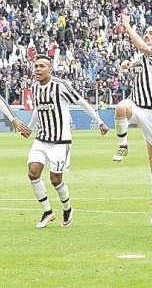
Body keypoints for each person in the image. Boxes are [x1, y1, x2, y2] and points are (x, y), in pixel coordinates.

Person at [26, 54, 109, 228]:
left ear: (50, 69)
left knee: (55, 179)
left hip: (60, 141)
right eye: (36, 66)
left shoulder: (61, 86)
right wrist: (30, 127)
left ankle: (67, 208)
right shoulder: (35, 88)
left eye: (42, 66)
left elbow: (81, 102)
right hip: (41, 139)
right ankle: (48, 212)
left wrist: (100, 121)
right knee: (33, 173)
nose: (38, 69)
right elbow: (37, 109)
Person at [112, 14, 152, 225]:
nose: (147, 35)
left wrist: (126, 25)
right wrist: (127, 65)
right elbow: (137, 60)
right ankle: (122, 144)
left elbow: (143, 48)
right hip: (136, 104)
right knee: (120, 107)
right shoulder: (143, 57)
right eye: (147, 32)